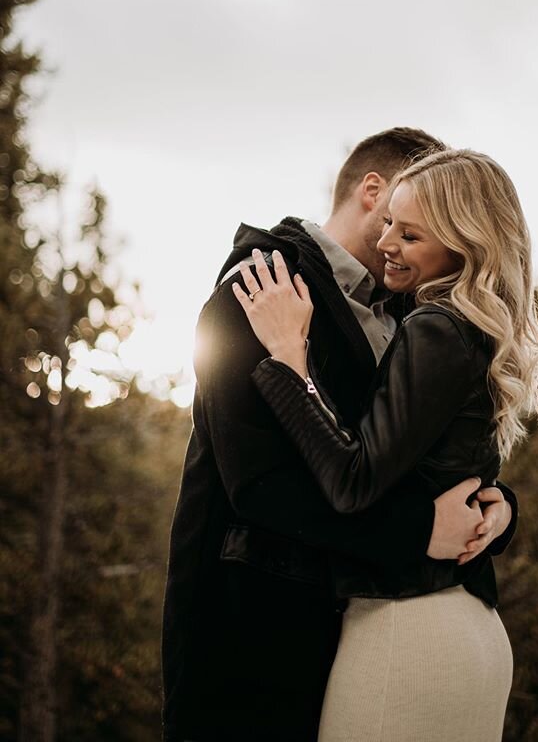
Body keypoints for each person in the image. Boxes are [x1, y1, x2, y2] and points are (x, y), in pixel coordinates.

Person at [161, 130, 519, 742]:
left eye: (417, 230)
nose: (396, 243)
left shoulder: (416, 313)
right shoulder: (261, 289)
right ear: (375, 192)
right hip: (251, 638)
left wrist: (501, 508)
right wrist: (418, 532)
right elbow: (258, 484)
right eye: (400, 222)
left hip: (361, 630)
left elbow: (420, 455)